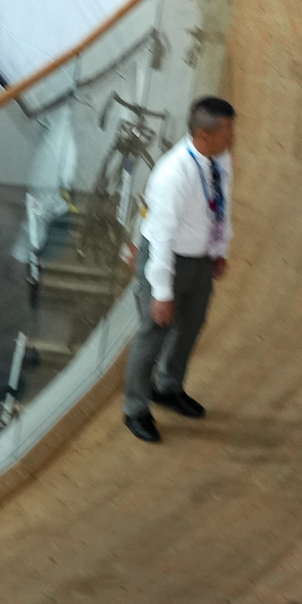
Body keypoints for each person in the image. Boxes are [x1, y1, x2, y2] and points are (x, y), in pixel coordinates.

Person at [121, 96, 235, 443]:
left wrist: (218, 249)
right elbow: (161, 238)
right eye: (227, 131)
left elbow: (221, 206)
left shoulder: (220, 158)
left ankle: (168, 388)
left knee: (191, 326)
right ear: (203, 134)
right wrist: (162, 293)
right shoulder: (173, 175)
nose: (232, 137)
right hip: (165, 260)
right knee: (152, 335)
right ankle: (135, 409)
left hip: (199, 259)